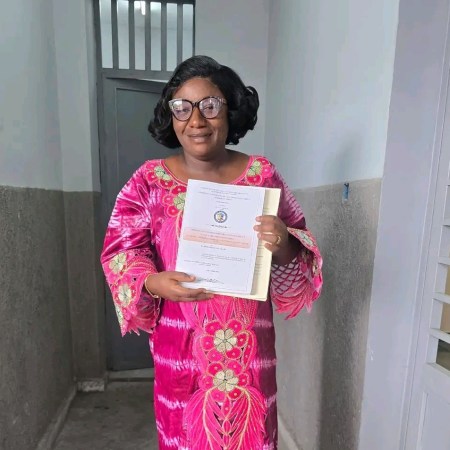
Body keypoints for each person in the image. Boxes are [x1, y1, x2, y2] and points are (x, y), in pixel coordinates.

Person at [101, 55, 323, 450]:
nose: (196, 120)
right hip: (181, 350)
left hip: (248, 351)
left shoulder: (261, 175)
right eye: (182, 108)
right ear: (170, 115)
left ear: (230, 109)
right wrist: (152, 282)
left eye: (210, 105)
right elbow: (121, 250)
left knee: (252, 435)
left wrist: (284, 241)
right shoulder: (149, 181)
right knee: (185, 436)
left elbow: (298, 251)